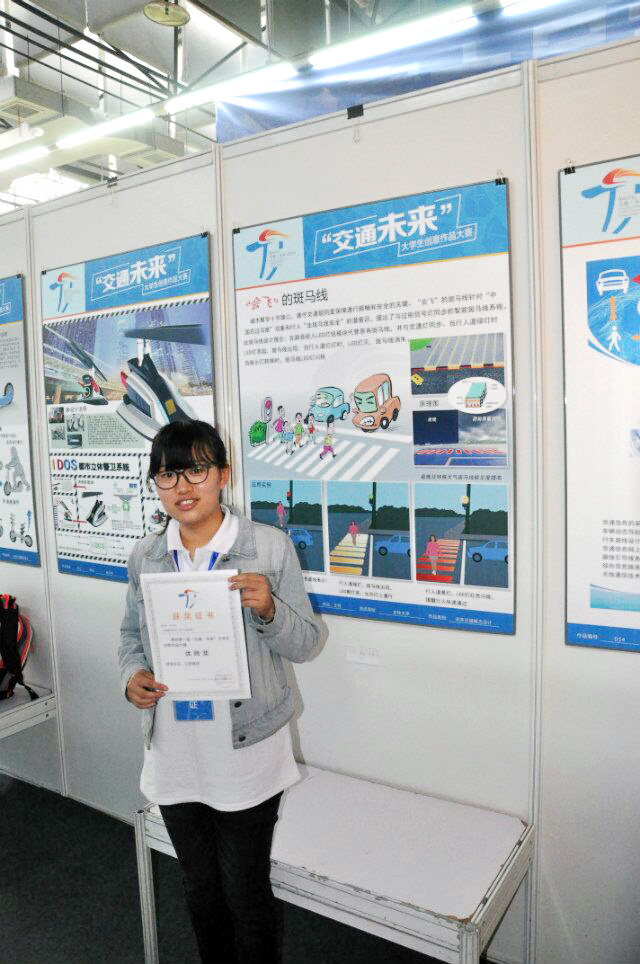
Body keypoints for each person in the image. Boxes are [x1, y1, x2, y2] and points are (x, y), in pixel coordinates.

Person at [118, 420, 319, 964]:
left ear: (222, 476)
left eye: (196, 470)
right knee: (200, 889)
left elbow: (306, 642)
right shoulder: (146, 555)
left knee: (245, 893)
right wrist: (132, 676)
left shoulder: (268, 547)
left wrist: (270, 609)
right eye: (167, 475)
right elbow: (131, 635)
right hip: (176, 752)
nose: (182, 486)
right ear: (156, 484)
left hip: (246, 752)